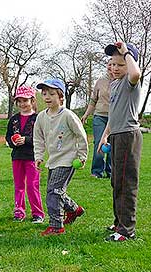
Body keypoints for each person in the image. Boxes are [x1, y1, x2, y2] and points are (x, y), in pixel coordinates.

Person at [98, 41, 142, 242]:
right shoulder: (115, 84)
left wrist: (126, 53)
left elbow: (135, 74)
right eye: (112, 64)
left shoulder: (130, 82)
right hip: (116, 135)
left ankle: (126, 230)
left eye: (120, 64)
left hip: (127, 136)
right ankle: (119, 223)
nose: (114, 68)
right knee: (116, 182)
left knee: (126, 184)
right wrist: (105, 135)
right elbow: (113, 114)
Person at [33, 78, 88, 236]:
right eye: (44, 94)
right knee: (57, 191)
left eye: (52, 93)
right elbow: (38, 139)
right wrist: (39, 156)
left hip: (68, 159)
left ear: (61, 97)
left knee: (53, 192)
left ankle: (56, 226)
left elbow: (81, 136)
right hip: (53, 161)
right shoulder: (41, 117)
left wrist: (82, 156)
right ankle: (74, 210)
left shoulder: (68, 116)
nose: (47, 97)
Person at [5, 86, 45, 224]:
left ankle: (37, 213)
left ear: (32, 100)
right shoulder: (14, 119)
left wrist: (26, 140)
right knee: (19, 185)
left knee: (33, 185)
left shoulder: (38, 118)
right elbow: (8, 136)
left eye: (25, 100)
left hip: (32, 157)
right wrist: (13, 141)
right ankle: (19, 211)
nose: (22, 104)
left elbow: (42, 138)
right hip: (17, 157)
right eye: (19, 101)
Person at [81, 59, 114, 179]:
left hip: (115, 118)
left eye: (113, 64)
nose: (111, 67)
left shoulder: (120, 80)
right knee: (99, 143)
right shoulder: (100, 81)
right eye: (109, 64)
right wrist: (86, 114)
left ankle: (110, 171)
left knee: (113, 144)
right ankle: (96, 171)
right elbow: (93, 100)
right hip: (100, 116)